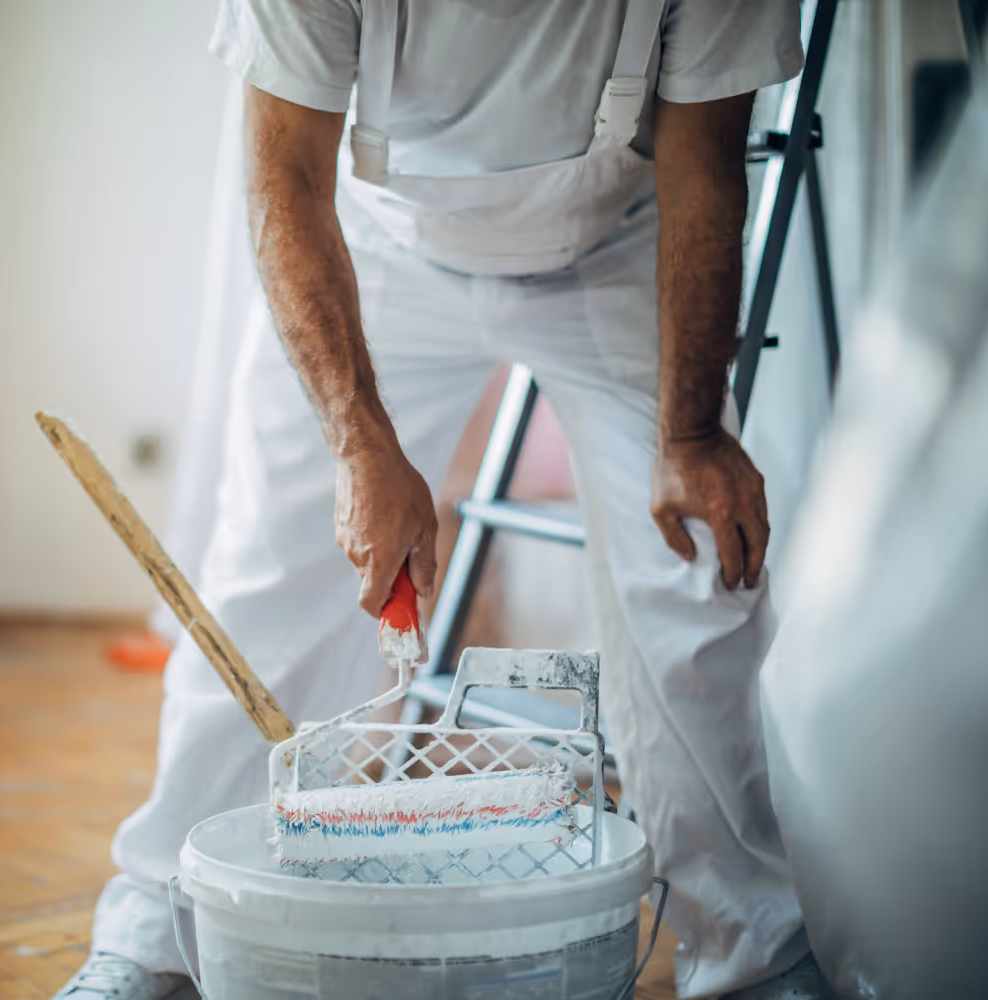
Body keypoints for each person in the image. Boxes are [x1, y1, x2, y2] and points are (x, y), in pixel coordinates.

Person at [59, 1, 832, 997]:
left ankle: (756, 952)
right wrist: (357, 441)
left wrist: (689, 437)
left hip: (618, 247)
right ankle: (155, 931)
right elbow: (284, 177)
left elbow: (706, 162)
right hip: (378, 254)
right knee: (271, 578)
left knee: (694, 580)